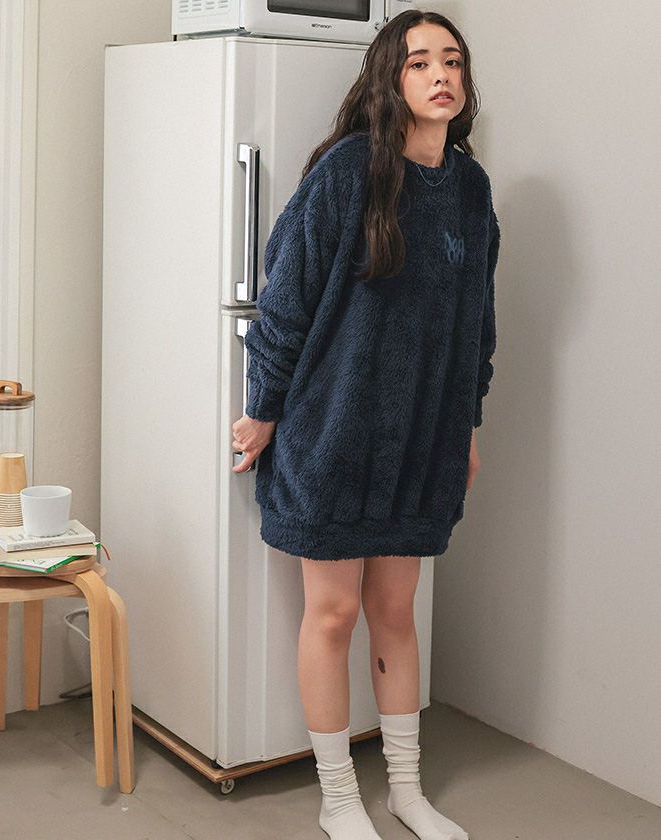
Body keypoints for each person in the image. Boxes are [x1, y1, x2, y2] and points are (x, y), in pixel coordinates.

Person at [231, 9, 501, 840]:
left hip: (422, 438)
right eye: (419, 62)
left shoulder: (471, 189)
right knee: (334, 615)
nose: (440, 75)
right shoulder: (349, 173)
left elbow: (478, 325)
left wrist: (466, 427)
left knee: (395, 611)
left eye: (451, 61)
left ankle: (406, 791)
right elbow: (286, 299)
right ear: (390, 79)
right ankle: (339, 797)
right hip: (333, 431)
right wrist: (262, 410)